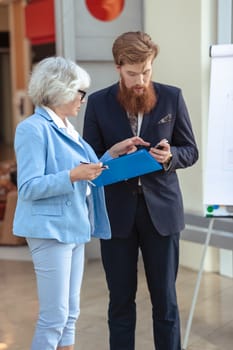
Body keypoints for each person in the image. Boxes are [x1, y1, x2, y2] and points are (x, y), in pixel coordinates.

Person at [13, 56, 149, 350]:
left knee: (70, 315)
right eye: (79, 92)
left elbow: (91, 172)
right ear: (59, 89)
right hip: (50, 230)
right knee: (54, 318)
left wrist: (114, 153)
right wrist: (73, 175)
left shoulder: (67, 127)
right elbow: (28, 187)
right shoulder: (33, 129)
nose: (82, 100)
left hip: (73, 226)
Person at [83, 31, 199, 350]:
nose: (141, 80)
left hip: (162, 215)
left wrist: (171, 157)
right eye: (133, 73)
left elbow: (190, 150)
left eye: (146, 71)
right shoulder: (96, 103)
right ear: (118, 67)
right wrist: (112, 153)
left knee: (166, 302)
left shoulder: (172, 97)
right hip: (116, 218)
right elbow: (88, 161)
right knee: (120, 302)